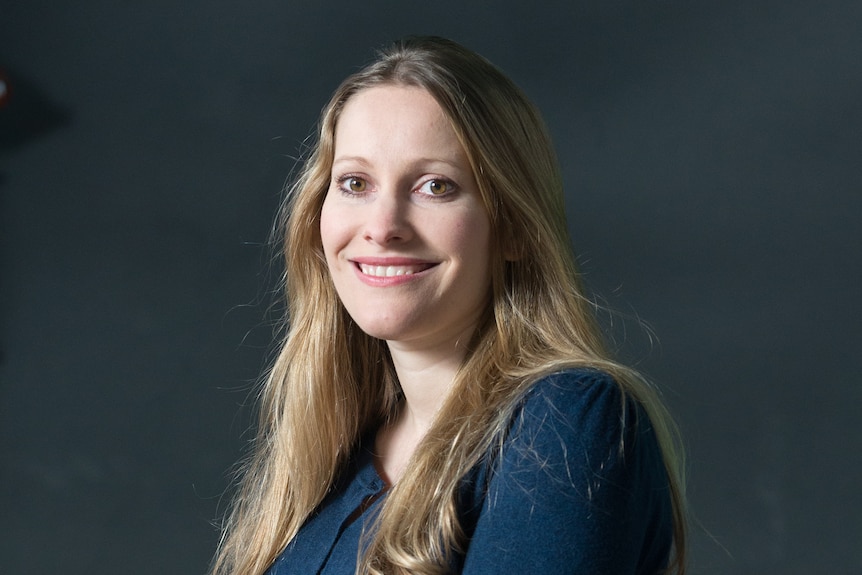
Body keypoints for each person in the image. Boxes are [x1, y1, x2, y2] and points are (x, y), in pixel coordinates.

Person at [211, 36, 686, 575]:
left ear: (514, 229)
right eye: (354, 183)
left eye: (435, 186)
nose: (383, 226)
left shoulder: (567, 420)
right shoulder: (329, 464)